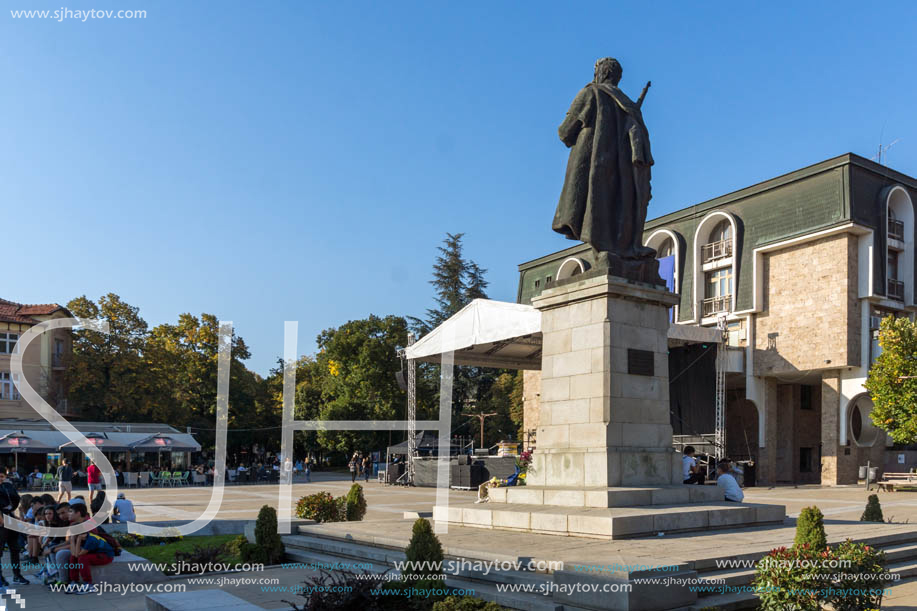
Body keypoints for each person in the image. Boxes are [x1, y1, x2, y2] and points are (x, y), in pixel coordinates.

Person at [66, 503, 115, 594]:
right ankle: (74, 582)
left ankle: (89, 584)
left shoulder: (90, 539)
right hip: (94, 553)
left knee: (82, 558)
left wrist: (76, 540)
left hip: (106, 555)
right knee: (73, 558)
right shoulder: (79, 537)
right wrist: (73, 539)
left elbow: (79, 554)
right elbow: (74, 554)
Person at [0, 469, 29, 586]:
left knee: (15, 548)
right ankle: (0, 577)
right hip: (1, 519)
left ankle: (17, 575)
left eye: (2, 476)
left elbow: (14, 501)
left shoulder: (7, 486)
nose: (0, 478)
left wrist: (13, 515)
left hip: (9, 516)